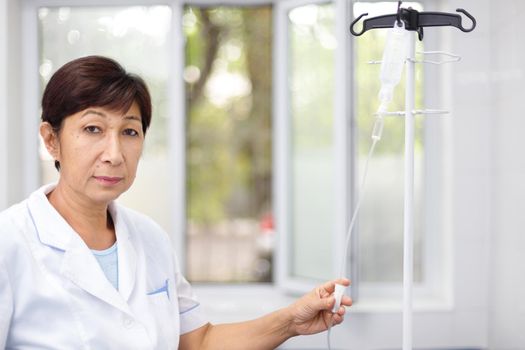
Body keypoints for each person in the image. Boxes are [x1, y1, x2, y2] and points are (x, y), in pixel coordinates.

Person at [0, 55, 351, 349]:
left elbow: (197, 342)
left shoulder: (150, 238)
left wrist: (290, 321)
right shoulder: (10, 242)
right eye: (93, 129)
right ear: (51, 139)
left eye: (129, 131)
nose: (114, 154)